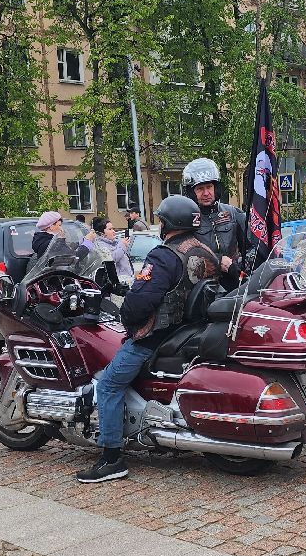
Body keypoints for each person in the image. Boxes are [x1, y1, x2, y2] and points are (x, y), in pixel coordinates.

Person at [76, 194, 219, 484]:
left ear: (167, 223)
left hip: (156, 336)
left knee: (108, 385)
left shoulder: (164, 255)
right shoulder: (207, 252)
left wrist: (125, 317)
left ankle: (111, 458)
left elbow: (140, 301)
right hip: (190, 331)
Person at [183, 157, 248, 288]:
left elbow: (252, 247)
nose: (206, 193)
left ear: (216, 188)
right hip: (203, 289)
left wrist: (240, 267)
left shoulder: (233, 213)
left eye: (209, 187)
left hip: (236, 284)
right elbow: (183, 257)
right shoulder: (186, 220)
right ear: (191, 192)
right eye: (200, 189)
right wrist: (217, 262)